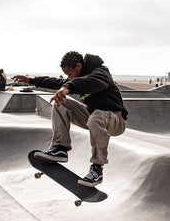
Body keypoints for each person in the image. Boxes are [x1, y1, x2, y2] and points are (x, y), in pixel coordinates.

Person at [13, 51, 128, 187]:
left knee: (96, 117)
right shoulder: (77, 76)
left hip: (116, 120)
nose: (69, 77)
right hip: (93, 116)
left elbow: (91, 82)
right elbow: (59, 82)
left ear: (78, 66)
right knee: (61, 103)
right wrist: (31, 80)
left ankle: (97, 169)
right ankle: (60, 147)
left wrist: (68, 87)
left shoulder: (101, 73)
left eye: (70, 73)